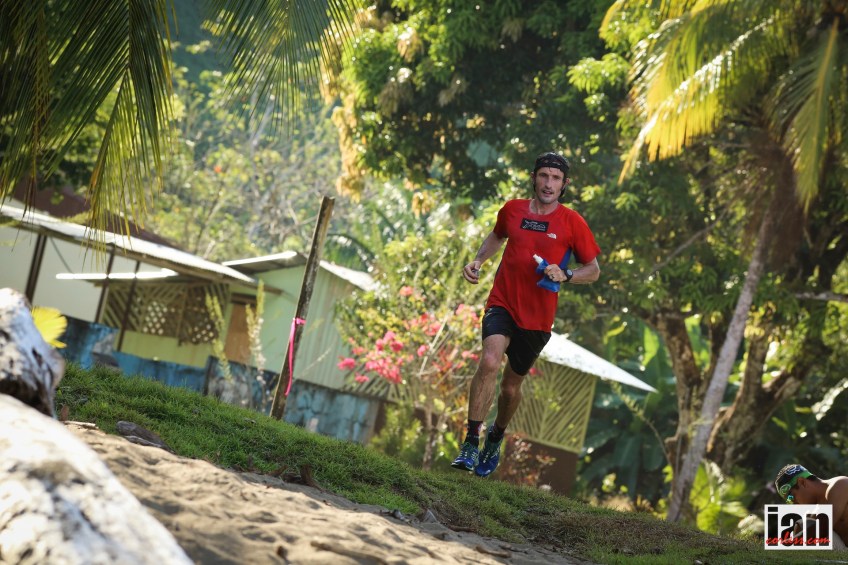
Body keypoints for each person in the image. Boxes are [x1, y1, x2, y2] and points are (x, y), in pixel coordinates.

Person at [451, 151, 601, 478]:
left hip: (537, 319)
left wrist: (567, 274)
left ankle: (495, 436)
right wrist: (478, 260)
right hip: (502, 301)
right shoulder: (513, 210)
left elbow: (593, 269)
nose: (548, 183)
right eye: (543, 176)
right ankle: (471, 441)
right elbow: (497, 235)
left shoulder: (572, 222)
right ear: (534, 178)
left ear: (564, 184)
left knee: (509, 389)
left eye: (555, 178)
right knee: (489, 360)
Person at [774, 464, 848, 549]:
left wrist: (785, 544)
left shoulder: (841, 484)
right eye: (788, 501)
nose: (794, 504)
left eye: (791, 497)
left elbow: (822, 528)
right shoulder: (812, 513)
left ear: (802, 482)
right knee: (803, 524)